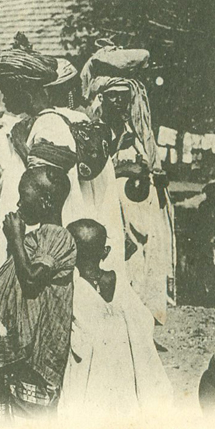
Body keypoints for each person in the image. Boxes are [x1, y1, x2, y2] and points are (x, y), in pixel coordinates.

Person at [0, 37, 125, 281]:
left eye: (7, 90)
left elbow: (49, 192)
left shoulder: (46, 125)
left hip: (53, 242)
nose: (3, 97)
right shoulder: (75, 118)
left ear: (27, 91)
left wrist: (22, 146)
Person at [86, 47, 174, 324]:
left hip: (139, 214)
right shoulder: (97, 131)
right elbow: (91, 171)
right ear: (101, 99)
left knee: (143, 262)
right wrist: (124, 168)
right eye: (112, 97)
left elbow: (151, 165)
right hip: (110, 212)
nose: (119, 103)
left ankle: (141, 316)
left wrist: (154, 177)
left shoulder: (136, 133)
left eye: (124, 97)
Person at [0, 161, 76, 418]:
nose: (18, 204)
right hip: (18, 361)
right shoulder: (36, 239)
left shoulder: (58, 236)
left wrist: (15, 237)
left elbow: (31, 281)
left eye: (23, 196)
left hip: (37, 363)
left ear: (46, 200)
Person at [59, 219, 172, 416]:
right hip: (126, 378)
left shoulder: (72, 288)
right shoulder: (118, 282)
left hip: (89, 384)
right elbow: (144, 320)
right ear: (105, 252)